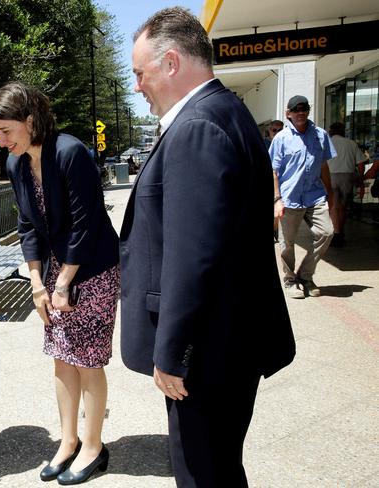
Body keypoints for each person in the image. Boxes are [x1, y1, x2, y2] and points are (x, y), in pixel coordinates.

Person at [120, 8, 295, 486]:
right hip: (229, 338)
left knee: (202, 473)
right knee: (218, 466)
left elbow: (193, 255)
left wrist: (173, 352)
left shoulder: (197, 125)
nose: (138, 86)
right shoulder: (226, 111)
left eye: (140, 73)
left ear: (171, 62)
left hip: (208, 349)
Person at [0, 82, 120, 485]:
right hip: (54, 272)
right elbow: (28, 225)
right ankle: (68, 441)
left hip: (94, 268)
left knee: (88, 359)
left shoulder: (69, 151)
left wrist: (63, 282)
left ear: (30, 121)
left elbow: (87, 222)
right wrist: (37, 282)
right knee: (62, 358)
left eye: (7, 130)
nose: (1, 141)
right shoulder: (15, 165)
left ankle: (94, 446)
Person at [271, 95, 336, 299]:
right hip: (289, 197)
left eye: (304, 109)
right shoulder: (281, 138)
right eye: (296, 109)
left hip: (315, 195)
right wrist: (277, 199)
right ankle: (290, 281)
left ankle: (306, 276)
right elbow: (273, 171)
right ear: (288, 113)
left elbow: (324, 165)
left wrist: (330, 191)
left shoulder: (320, 135)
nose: (301, 112)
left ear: (308, 110)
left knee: (327, 232)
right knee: (287, 243)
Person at [327, 122, 368, 246]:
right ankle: (341, 231)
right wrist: (360, 178)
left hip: (331, 175)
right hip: (347, 176)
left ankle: (336, 232)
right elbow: (361, 164)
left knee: (333, 206)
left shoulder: (326, 143)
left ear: (331, 131)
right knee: (343, 206)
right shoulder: (351, 143)